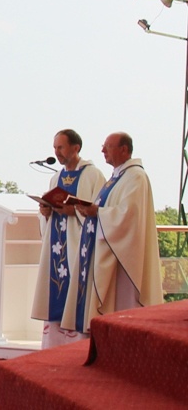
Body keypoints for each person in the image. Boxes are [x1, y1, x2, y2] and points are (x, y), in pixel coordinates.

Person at [63, 132, 163, 334]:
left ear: (124, 149)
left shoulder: (136, 176)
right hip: (107, 246)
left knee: (124, 308)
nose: (102, 150)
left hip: (124, 258)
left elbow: (128, 215)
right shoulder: (117, 177)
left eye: (107, 146)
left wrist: (97, 212)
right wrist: (92, 210)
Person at [31, 129, 106, 348]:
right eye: (55, 148)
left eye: (60, 147)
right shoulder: (56, 177)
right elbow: (49, 210)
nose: (57, 152)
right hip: (56, 243)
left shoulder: (93, 175)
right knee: (55, 287)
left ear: (76, 148)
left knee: (75, 288)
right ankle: (53, 345)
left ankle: (77, 344)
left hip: (78, 245)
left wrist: (75, 213)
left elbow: (99, 210)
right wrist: (45, 212)